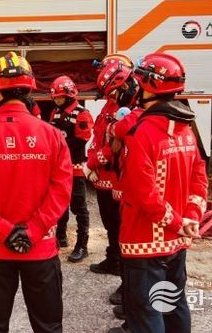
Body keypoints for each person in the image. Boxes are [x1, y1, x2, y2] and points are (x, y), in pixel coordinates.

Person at [0, 51, 73, 333]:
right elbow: (61, 190)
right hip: (40, 249)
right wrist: (33, 231)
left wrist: (2, 229)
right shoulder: (51, 135)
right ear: (30, 89)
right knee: (48, 327)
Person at [113, 53, 208, 333]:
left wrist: (177, 223)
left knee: (147, 312)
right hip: (178, 240)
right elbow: (199, 177)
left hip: (144, 240)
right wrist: (191, 217)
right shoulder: (186, 130)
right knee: (174, 303)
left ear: (148, 87)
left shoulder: (142, 132)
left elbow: (143, 193)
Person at [85, 55, 140, 278]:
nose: (111, 97)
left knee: (121, 226)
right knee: (110, 222)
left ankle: (124, 270)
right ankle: (113, 258)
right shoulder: (111, 105)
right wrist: (92, 162)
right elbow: (99, 135)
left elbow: (117, 146)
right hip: (103, 176)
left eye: (113, 92)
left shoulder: (134, 111)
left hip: (117, 177)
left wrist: (93, 162)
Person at [48, 75, 93, 263]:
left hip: (75, 167)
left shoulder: (82, 113)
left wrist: (60, 145)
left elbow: (82, 139)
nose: (57, 100)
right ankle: (60, 237)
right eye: (55, 97)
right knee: (59, 205)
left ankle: (82, 245)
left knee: (79, 207)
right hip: (59, 167)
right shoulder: (55, 112)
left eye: (59, 97)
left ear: (69, 95)